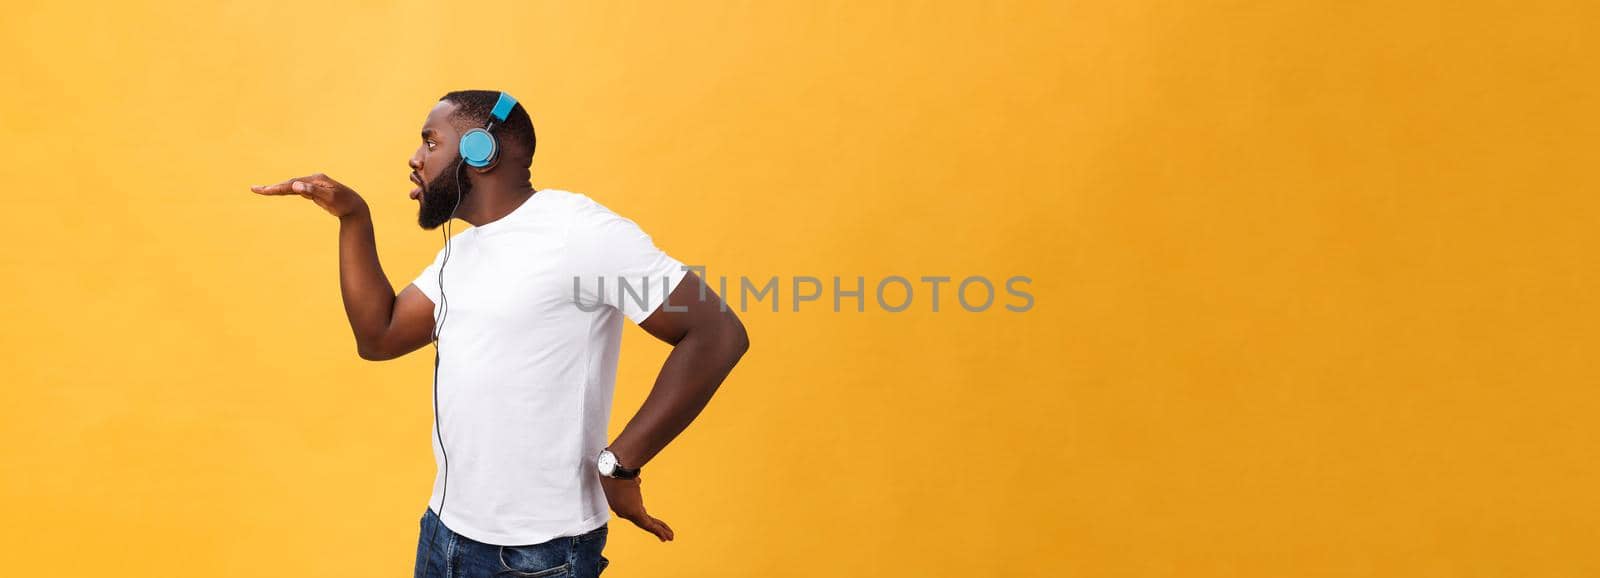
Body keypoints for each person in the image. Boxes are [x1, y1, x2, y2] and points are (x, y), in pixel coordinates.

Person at [249, 89, 750, 577]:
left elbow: (716, 333)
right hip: (444, 534)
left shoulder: (579, 230)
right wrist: (353, 217)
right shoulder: (460, 253)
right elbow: (378, 337)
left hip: (538, 556)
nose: (415, 158)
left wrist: (620, 463)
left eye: (430, 141)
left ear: (479, 151)